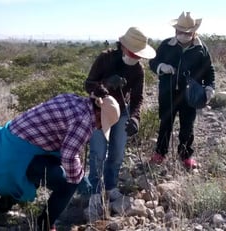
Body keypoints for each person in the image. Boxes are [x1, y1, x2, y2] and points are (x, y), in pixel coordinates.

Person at [0, 86, 120, 231]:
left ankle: (6, 201)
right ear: (98, 114)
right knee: (69, 183)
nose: (98, 128)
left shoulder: (72, 99)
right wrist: (80, 178)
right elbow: (69, 156)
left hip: (7, 145)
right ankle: (45, 224)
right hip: (20, 157)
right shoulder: (83, 122)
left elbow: (62, 145)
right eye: (102, 124)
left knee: (56, 165)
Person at [83, 27, 156, 220]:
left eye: (138, 55)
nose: (135, 57)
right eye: (132, 53)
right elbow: (88, 84)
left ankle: (111, 187)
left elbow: (138, 98)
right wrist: (105, 84)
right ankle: (95, 192)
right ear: (122, 46)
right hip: (99, 109)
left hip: (122, 111)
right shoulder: (105, 58)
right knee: (98, 152)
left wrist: (135, 118)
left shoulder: (138, 70)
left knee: (117, 152)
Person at [148, 11, 216, 169]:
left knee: (187, 126)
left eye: (187, 32)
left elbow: (209, 71)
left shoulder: (201, 49)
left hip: (190, 96)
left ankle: (185, 156)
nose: (183, 35)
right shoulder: (166, 45)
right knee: (165, 123)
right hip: (168, 93)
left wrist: (209, 87)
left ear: (194, 32)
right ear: (175, 30)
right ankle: (160, 153)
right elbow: (153, 62)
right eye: (180, 32)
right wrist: (160, 67)